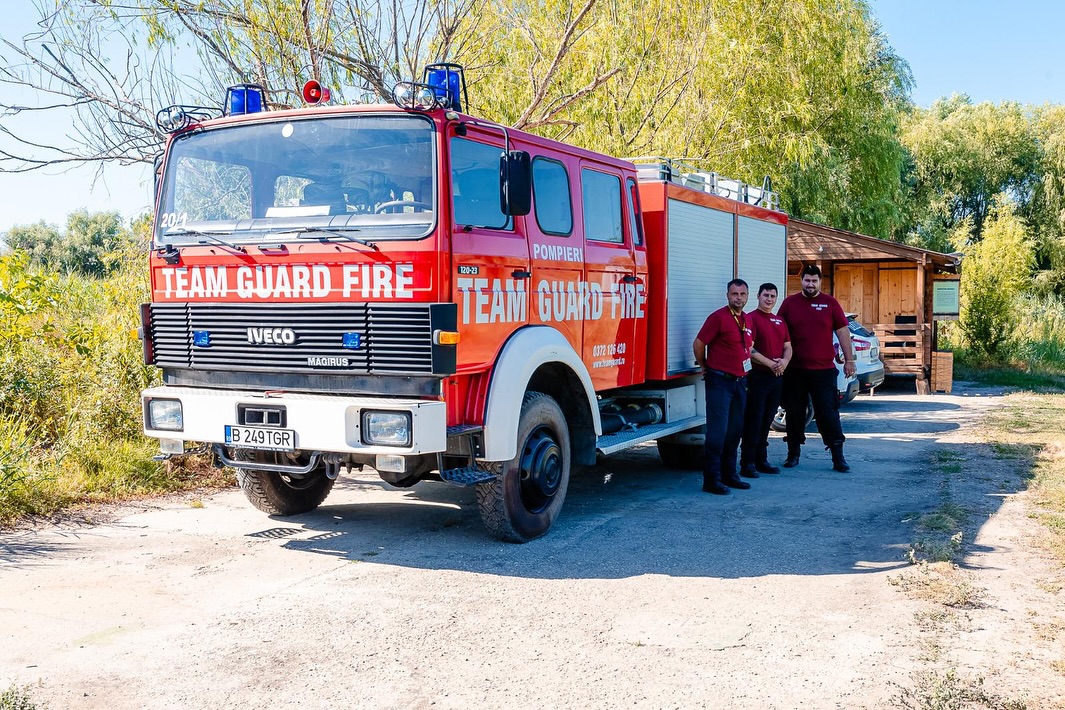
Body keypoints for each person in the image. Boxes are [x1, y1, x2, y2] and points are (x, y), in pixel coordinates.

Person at [777, 264, 856, 472]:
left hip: (823, 371)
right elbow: (778, 334)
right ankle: (793, 454)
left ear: (820, 282)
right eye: (807, 280)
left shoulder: (830, 303)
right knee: (794, 413)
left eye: (814, 281)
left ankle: (838, 456)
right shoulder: (789, 304)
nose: (810, 284)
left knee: (828, 413)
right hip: (795, 370)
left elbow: (843, 333)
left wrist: (850, 360)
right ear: (801, 281)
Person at [693, 279, 754, 495]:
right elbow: (699, 343)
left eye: (742, 294)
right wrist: (704, 366)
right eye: (734, 294)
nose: (738, 297)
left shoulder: (747, 319)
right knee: (717, 433)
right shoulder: (718, 318)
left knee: (735, 431)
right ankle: (712, 479)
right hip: (720, 381)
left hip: (740, 382)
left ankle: (730, 474)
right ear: (727, 295)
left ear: (748, 296)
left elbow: (748, 347)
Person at [739, 283, 792, 478]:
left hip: (776, 377)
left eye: (772, 296)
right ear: (758, 297)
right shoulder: (751, 319)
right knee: (754, 420)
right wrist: (770, 363)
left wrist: (784, 362)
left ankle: (762, 460)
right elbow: (749, 349)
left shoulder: (779, 320)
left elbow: (788, 346)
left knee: (767, 420)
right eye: (766, 295)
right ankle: (747, 463)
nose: (769, 299)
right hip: (758, 377)